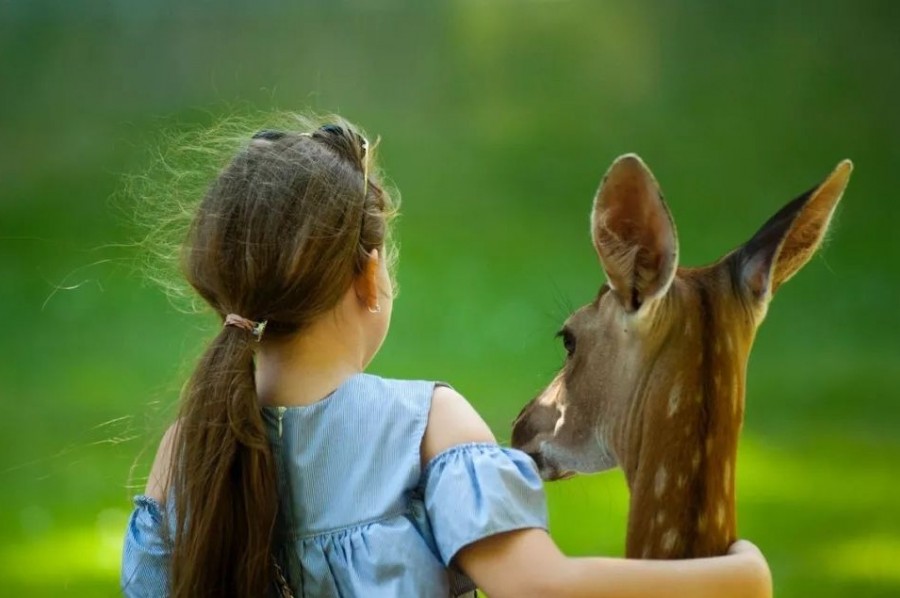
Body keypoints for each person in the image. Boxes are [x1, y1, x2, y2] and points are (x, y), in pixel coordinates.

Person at [121, 116, 772, 598]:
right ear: (369, 275)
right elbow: (544, 588)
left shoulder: (189, 446)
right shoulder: (425, 425)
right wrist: (740, 577)